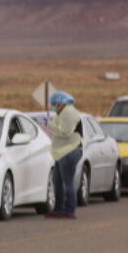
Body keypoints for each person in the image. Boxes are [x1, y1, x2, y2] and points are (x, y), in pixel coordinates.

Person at [47, 90, 83, 219]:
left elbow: (66, 133)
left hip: (70, 150)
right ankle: (59, 209)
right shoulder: (61, 113)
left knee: (67, 181)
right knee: (57, 180)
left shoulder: (70, 113)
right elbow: (56, 128)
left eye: (54, 104)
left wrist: (50, 124)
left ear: (61, 103)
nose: (53, 106)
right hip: (61, 152)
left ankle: (69, 210)